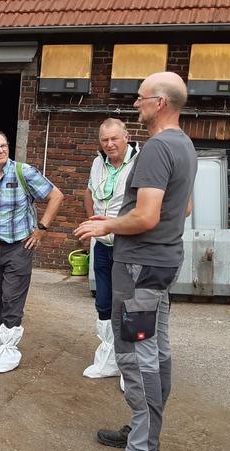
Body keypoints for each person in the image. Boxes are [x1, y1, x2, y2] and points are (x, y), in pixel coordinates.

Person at [75, 72, 196, 451]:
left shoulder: (158, 148)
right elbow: (186, 209)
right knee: (157, 352)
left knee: (137, 356)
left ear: (160, 102)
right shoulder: (184, 144)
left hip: (139, 269)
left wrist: (106, 226)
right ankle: (142, 433)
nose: (135, 105)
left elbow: (146, 215)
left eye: (141, 98)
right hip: (159, 264)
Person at [0, 131, 64, 373]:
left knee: (11, 297)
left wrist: (42, 228)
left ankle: (9, 347)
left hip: (19, 247)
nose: (0, 150)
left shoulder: (24, 172)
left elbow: (56, 196)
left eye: (4, 145)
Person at [82, 119, 138, 381]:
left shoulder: (140, 163)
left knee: (129, 305)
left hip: (129, 246)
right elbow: (89, 193)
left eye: (114, 138)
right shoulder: (98, 162)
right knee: (103, 302)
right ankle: (109, 359)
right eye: (104, 140)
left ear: (127, 137)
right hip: (103, 245)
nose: (109, 144)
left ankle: (131, 367)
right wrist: (91, 223)